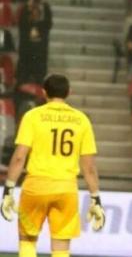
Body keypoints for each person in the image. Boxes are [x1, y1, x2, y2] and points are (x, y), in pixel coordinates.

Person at [1, 74, 105, 257]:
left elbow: (19, 157)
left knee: (27, 243)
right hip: (66, 189)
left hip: (35, 188)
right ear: (69, 93)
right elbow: (89, 167)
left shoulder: (33, 116)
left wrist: (8, 189)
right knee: (61, 250)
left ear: (44, 92)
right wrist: (95, 198)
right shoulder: (82, 121)